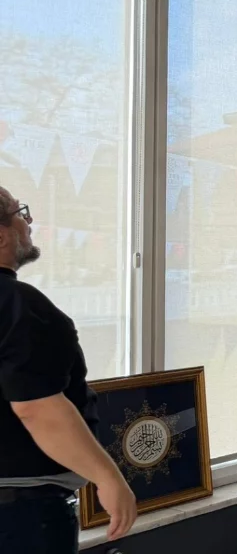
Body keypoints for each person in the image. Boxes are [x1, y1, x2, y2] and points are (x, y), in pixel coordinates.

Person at [0, 187, 137, 552]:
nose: (29, 222)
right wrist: (108, 478)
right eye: (19, 213)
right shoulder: (19, 306)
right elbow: (37, 409)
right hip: (20, 515)